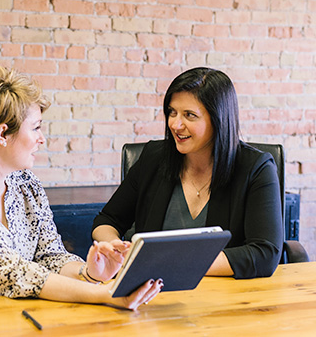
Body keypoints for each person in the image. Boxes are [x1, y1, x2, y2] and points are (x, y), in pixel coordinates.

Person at [0, 63, 163, 310]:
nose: (42, 139)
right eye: (35, 128)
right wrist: (105, 294)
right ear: (2, 134)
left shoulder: (25, 182)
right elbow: (12, 272)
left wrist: (90, 273)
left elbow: (50, 255)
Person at [92, 67, 283, 279]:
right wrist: (113, 247)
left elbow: (265, 253)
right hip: (152, 294)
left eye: (189, 115)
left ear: (218, 119)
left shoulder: (256, 168)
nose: (175, 124)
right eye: (172, 112)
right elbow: (107, 220)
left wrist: (170, 263)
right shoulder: (154, 158)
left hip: (226, 296)